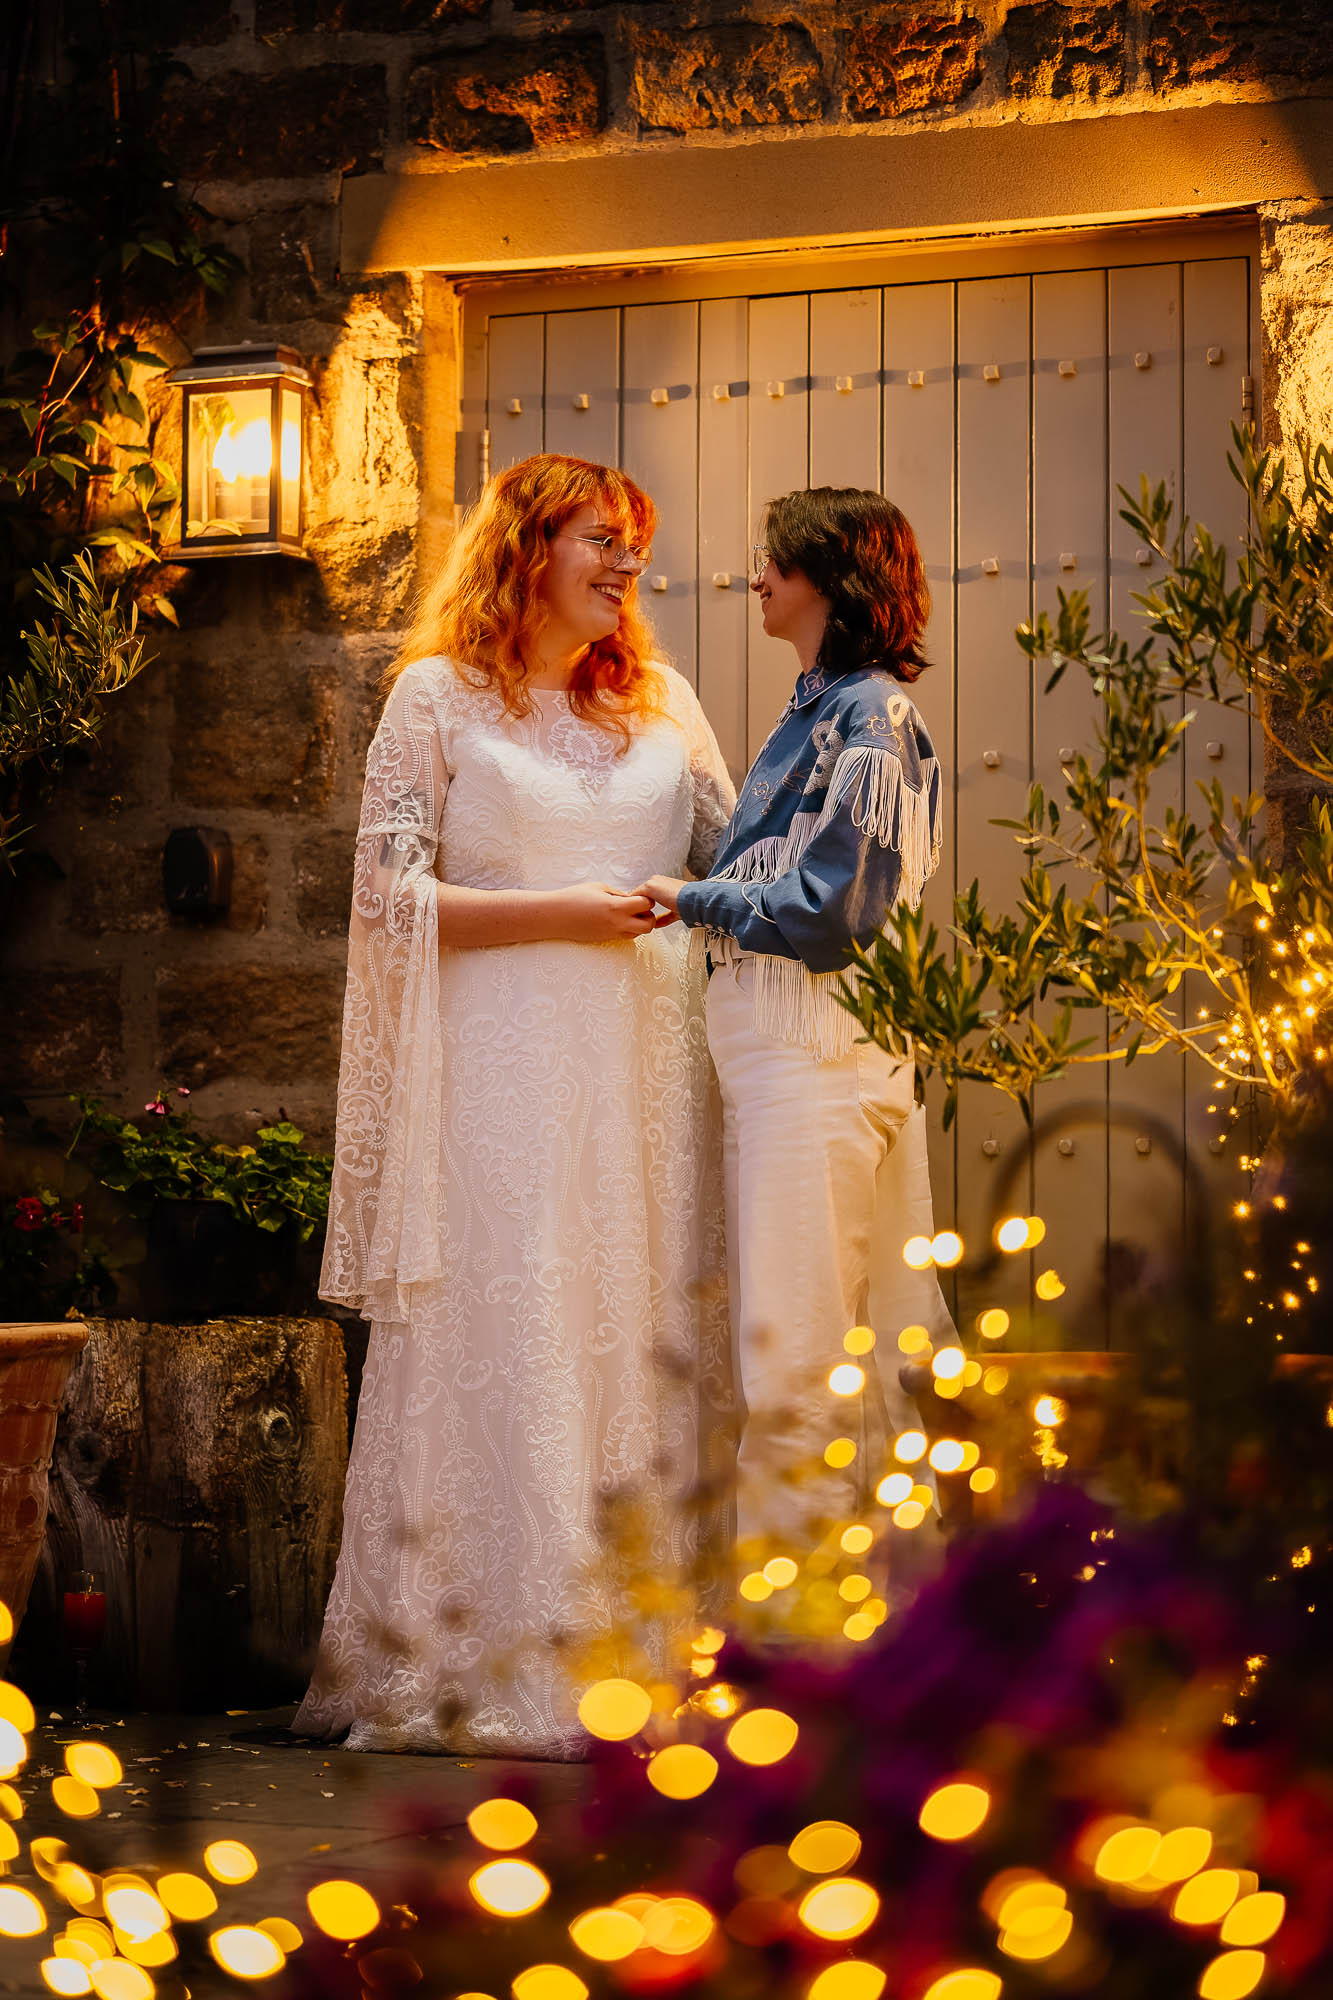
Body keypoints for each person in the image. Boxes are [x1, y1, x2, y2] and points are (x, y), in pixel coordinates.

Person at [296, 453, 736, 1759]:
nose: (626, 569)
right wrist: (562, 911)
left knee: (632, 1322)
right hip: (500, 1071)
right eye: (601, 541)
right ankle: (478, 1656)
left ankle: (644, 1645)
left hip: (646, 1070)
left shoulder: (664, 701)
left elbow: (740, 855)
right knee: (518, 1315)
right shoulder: (437, 698)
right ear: (527, 548)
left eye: (635, 549)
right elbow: (386, 902)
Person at [642, 486, 956, 1560]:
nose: (756, 580)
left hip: (814, 1066)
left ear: (830, 577)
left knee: (800, 1358)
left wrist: (692, 899)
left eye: (774, 563)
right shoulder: (816, 708)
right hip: (786, 1067)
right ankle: (848, 1624)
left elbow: (831, 910)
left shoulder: (869, 717)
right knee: (812, 1348)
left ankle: (800, 1647)